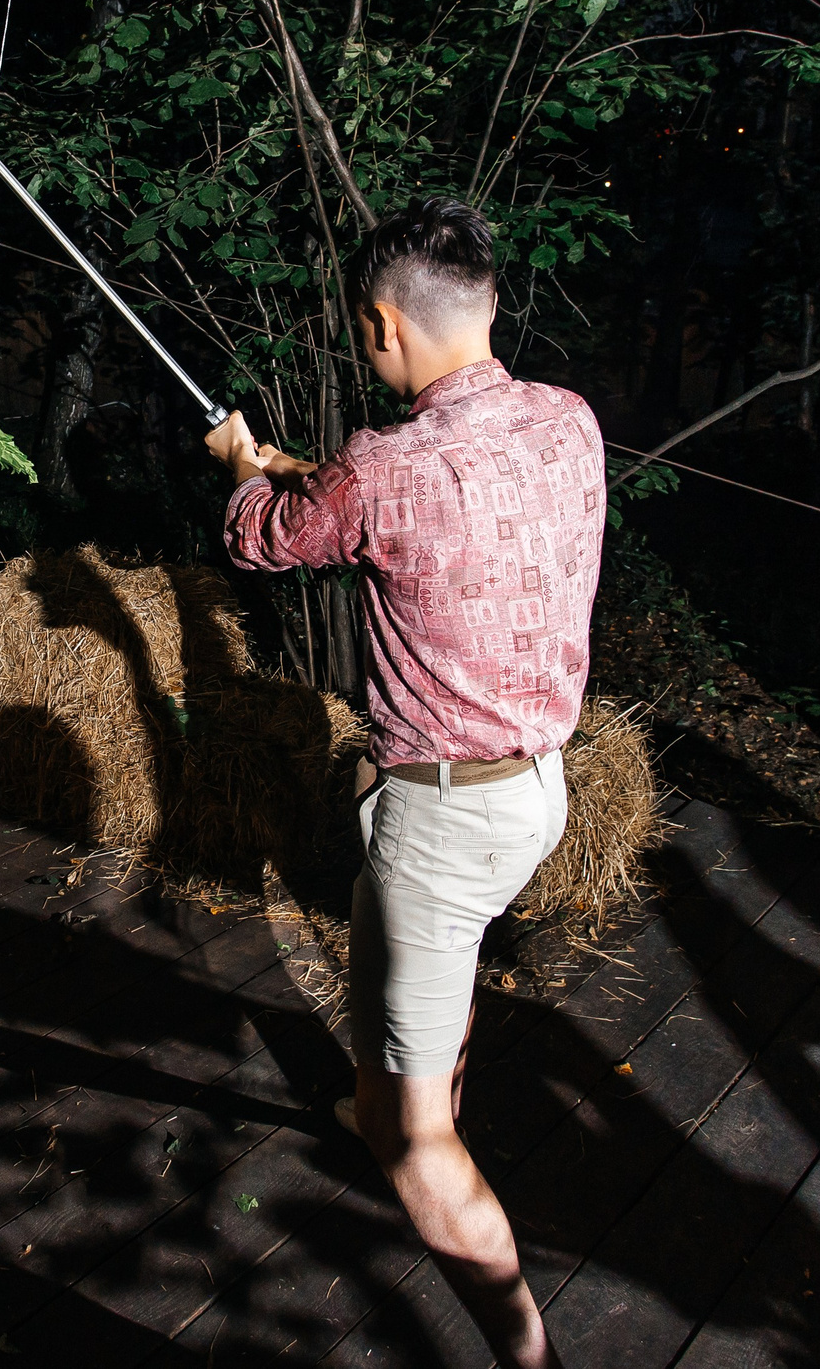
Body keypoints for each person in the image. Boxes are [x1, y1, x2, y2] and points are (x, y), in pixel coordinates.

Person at [205, 196, 602, 1369]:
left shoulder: (385, 467)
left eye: (359, 329)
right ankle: (381, 1097)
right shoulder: (566, 420)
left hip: (446, 818)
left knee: (420, 1145)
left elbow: (262, 539)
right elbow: (394, 509)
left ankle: (524, 1350)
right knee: (410, 950)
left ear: (381, 322)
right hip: (536, 791)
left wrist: (242, 469)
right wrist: (303, 471)